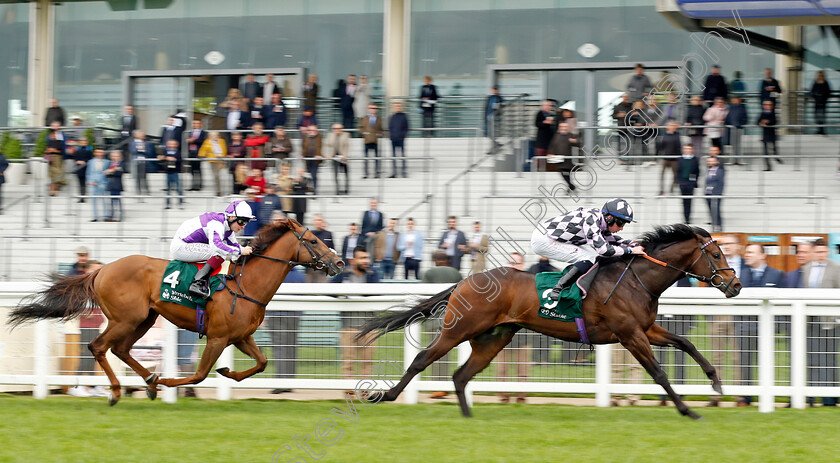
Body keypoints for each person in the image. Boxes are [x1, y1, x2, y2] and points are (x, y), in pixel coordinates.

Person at [530, 198, 644, 301]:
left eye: (624, 223)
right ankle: (558, 288)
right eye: (620, 222)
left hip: (552, 237)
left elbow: (613, 239)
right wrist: (630, 251)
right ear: (609, 217)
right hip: (543, 239)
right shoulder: (591, 219)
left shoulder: (600, 220)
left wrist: (633, 244)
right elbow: (604, 250)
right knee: (589, 257)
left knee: (594, 259)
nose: (621, 228)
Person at [170, 200, 255, 299]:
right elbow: (217, 246)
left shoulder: (228, 228)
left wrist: (247, 250)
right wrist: (240, 251)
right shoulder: (217, 224)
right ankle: (196, 283)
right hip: (181, 246)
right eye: (242, 221)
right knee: (220, 253)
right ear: (232, 217)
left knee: (224, 252)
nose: (243, 226)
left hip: (188, 243)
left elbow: (236, 246)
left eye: (246, 222)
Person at [736, 244, 785, 406]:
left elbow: (782, 303)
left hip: (767, 329)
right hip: (744, 328)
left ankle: (766, 396)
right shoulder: (740, 275)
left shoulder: (777, 275)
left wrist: (776, 327)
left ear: (762, 255)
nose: (747, 255)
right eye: (747, 252)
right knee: (745, 363)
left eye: (751, 252)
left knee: (766, 363)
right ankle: (746, 397)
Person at [707, 235, 746, 406]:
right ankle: (716, 396)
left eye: (730, 244)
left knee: (738, 358)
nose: (727, 247)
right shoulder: (715, 265)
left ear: (738, 247)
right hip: (718, 315)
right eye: (724, 244)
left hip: (738, 316)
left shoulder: (746, 266)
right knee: (717, 357)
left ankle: (740, 396)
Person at [801, 238, 840, 407]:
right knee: (814, 358)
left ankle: (830, 399)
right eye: (818, 252)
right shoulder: (806, 269)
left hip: (831, 322)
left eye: (824, 252)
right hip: (811, 321)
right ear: (813, 253)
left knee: (829, 359)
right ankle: (813, 395)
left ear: (827, 252)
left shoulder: (836, 269)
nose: (821, 255)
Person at [332, 247, 379, 384]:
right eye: (362, 258)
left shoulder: (373, 274)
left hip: (370, 327)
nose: (366, 261)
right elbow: (328, 290)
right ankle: (349, 390)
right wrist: (343, 291)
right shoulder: (343, 275)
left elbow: (378, 292)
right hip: (348, 326)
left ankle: (365, 389)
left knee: (367, 362)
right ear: (352, 260)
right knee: (348, 361)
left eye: (367, 258)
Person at [422, 248, 463, 399]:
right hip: (452, 320)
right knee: (446, 355)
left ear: (435, 260)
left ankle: (437, 387)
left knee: (433, 353)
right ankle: (445, 386)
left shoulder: (429, 274)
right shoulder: (456, 273)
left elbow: (425, 298)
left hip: (434, 320)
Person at [495, 252, 531, 403]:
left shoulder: (529, 284)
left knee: (522, 368)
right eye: (511, 262)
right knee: (502, 368)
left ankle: (521, 397)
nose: (513, 265)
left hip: (522, 334)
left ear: (522, 266)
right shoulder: (500, 284)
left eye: (516, 263)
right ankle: (503, 397)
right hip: (502, 334)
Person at [267, 265, 305, 394]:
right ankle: (289, 382)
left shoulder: (274, 271)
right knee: (291, 348)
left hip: (276, 314)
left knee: (280, 348)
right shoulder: (299, 275)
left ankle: (281, 382)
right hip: (294, 315)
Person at [546, 121, 579, 190]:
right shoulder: (556, 136)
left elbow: (578, 144)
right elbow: (552, 145)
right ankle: (571, 186)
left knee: (568, 174)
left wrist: (575, 141)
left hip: (568, 159)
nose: (563, 128)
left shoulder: (571, 135)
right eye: (562, 126)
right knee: (563, 173)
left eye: (565, 126)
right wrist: (550, 153)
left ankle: (570, 187)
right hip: (559, 158)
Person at [198, 131, 227, 197]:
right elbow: (203, 149)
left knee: (220, 176)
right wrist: (201, 155)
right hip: (212, 161)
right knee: (216, 176)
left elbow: (224, 149)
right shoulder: (207, 141)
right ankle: (218, 191)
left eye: (216, 135)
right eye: (213, 135)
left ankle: (221, 190)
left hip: (221, 160)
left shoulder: (222, 141)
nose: (214, 137)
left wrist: (221, 155)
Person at [324, 123, 350, 195]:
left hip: (343, 157)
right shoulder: (330, 135)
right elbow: (326, 146)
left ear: (341, 129)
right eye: (335, 129)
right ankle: (337, 190)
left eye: (338, 129)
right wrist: (327, 155)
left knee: (346, 174)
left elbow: (347, 146)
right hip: (334, 157)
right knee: (335, 175)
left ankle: (346, 189)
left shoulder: (346, 135)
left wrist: (345, 155)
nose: (336, 130)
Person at [656, 120, 681, 196]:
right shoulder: (664, 135)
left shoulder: (677, 135)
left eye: (673, 125)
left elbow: (678, 147)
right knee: (662, 175)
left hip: (674, 158)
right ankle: (661, 190)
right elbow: (661, 147)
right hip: (666, 157)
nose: (671, 127)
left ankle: (671, 189)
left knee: (675, 175)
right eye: (670, 125)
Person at [677, 144, 699, 224]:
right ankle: (685, 217)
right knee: (684, 201)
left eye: (689, 149)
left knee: (689, 201)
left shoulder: (695, 159)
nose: (687, 150)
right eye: (686, 149)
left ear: (692, 150)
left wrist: (694, 182)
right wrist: (679, 181)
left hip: (690, 183)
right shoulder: (680, 159)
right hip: (682, 182)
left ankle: (688, 218)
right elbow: (678, 171)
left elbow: (697, 171)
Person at [360, 104, 383, 179]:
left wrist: (378, 134)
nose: (373, 109)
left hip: (375, 140)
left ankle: (377, 173)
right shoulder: (365, 118)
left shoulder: (379, 118)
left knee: (376, 158)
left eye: (375, 108)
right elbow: (360, 128)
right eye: (371, 108)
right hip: (367, 140)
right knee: (366, 158)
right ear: (368, 109)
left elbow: (381, 129)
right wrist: (364, 133)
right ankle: (366, 173)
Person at [159, 140, 184, 209]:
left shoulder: (178, 152)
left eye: (173, 144)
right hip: (168, 171)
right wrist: (164, 158)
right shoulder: (165, 151)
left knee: (178, 188)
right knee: (168, 189)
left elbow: (180, 160)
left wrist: (174, 159)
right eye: (169, 144)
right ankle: (168, 203)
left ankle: (180, 203)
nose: (171, 145)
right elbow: (162, 160)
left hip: (175, 171)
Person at [723, 96, 748, 165]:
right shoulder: (731, 108)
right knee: (733, 144)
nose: (734, 100)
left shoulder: (742, 108)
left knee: (738, 144)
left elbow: (745, 118)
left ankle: (739, 159)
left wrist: (741, 124)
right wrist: (727, 124)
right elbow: (728, 117)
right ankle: (733, 159)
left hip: (738, 128)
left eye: (735, 99)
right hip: (731, 128)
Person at [86, 149, 108, 222]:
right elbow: (88, 173)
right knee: (93, 200)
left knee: (104, 200)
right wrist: (90, 181)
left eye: (101, 152)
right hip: (93, 183)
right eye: (98, 152)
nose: (100, 153)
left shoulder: (107, 162)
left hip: (103, 182)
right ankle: (95, 216)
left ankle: (105, 216)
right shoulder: (91, 162)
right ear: (95, 153)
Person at [704, 155, 724, 232]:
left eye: (712, 160)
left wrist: (716, 192)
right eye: (709, 161)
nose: (710, 162)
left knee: (717, 210)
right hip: (708, 194)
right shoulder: (708, 171)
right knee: (711, 210)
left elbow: (720, 183)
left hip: (715, 194)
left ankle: (719, 226)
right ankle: (714, 224)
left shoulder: (719, 171)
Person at [757, 100, 780, 171]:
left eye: (769, 105)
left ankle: (777, 158)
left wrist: (767, 122)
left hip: (772, 134)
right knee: (765, 151)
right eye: (766, 105)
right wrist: (761, 123)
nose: (767, 106)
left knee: (774, 148)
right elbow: (757, 122)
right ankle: (768, 166)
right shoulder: (762, 113)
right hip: (765, 135)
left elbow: (775, 122)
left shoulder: (773, 113)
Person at [534, 100, 556, 170]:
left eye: (550, 106)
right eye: (548, 105)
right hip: (541, 140)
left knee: (550, 157)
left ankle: (549, 170)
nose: (549, 107)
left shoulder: (552, 115)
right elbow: (537, 124)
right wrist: (545, 122)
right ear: (543, 106)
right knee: (540, 157)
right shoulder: (540, 114)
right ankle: (539, 170)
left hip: (550, 140)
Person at [388, 102, 409, 178]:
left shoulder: (404, 116)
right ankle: (394, 173)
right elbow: (390, 127)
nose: (398, 107)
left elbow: (406, 128)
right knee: (393, 157)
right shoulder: (392, 117)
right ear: (394, 108)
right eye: (396, 106)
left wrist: (402, 136)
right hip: (393, 139)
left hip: (401, 139)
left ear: (401, 107)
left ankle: (404, 172)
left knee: (402, 156)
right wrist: (391, 136)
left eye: (399, 106)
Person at [300, 125, 323, 193]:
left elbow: (321, 147)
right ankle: (309, 189)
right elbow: (303, 147)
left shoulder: (319, 137)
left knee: (314, 175)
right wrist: (302, 155)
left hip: (315, 160)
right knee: (308, 175)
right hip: (307, 159)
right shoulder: (305, 137)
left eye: (313, 130)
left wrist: (319, 155)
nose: (311, 132)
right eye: (309, 130)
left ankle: (315, 191)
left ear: (316, 131)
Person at [104, 150, 125, 222]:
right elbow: (105, 172)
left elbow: (120, 172)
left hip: (117, 185)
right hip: (110, 185)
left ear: (119, 157)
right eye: (113, 156)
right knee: (110, 202)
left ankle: (119, 216)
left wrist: (111, 171)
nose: (115, 157)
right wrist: (113, 170)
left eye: (116, 156)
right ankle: (111, 216)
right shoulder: (109, 163)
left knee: (118, 202)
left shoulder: (121, 163)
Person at [186, 119, 206, 192]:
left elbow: (203, 141)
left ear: (200, 124)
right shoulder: (190, 132)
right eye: (194, 123)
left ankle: (199, 185)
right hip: (191, 152)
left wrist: (193, 140)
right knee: (192, 170)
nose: (195, 125)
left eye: (197, 123)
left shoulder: (203, 133)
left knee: (198, 169)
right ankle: (193, 185)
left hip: (199, 152)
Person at [809, 71, 831, 135]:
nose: (821, 77)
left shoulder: (826, 83)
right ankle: (819, 129)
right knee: (816, 116)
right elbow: (812, 91)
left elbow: (828, 92)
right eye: (820, 75)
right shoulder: (815, 83)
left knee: (822, 116)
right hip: (817, 102)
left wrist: (824, 99)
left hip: (823, 103)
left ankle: (822, 130)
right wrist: (815, 97)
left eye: (822, 76)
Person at [71, 137, 92, 202]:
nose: (83, 143)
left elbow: (90, 159)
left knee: (84, 183)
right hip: (79, 169)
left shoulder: (89, 151)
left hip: (86, 168)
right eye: (82, 142)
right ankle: (81, 197)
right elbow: (75, 158)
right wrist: (77, 161)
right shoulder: (77, 151)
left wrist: (84, 162)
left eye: (85, 142)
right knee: (80, 183)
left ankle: (83, 197)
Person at [485, 86, 503, 151]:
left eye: (496, 89)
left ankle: (492, 148)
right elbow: (487, 107)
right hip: (489, 116)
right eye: (494, 89)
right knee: (489, 133)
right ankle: (496, 144)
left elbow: (497, 107)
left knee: (492, 133)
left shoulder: (498, 98)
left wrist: (496, 114)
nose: (495, 91)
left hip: (494, 117)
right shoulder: (490, 97)